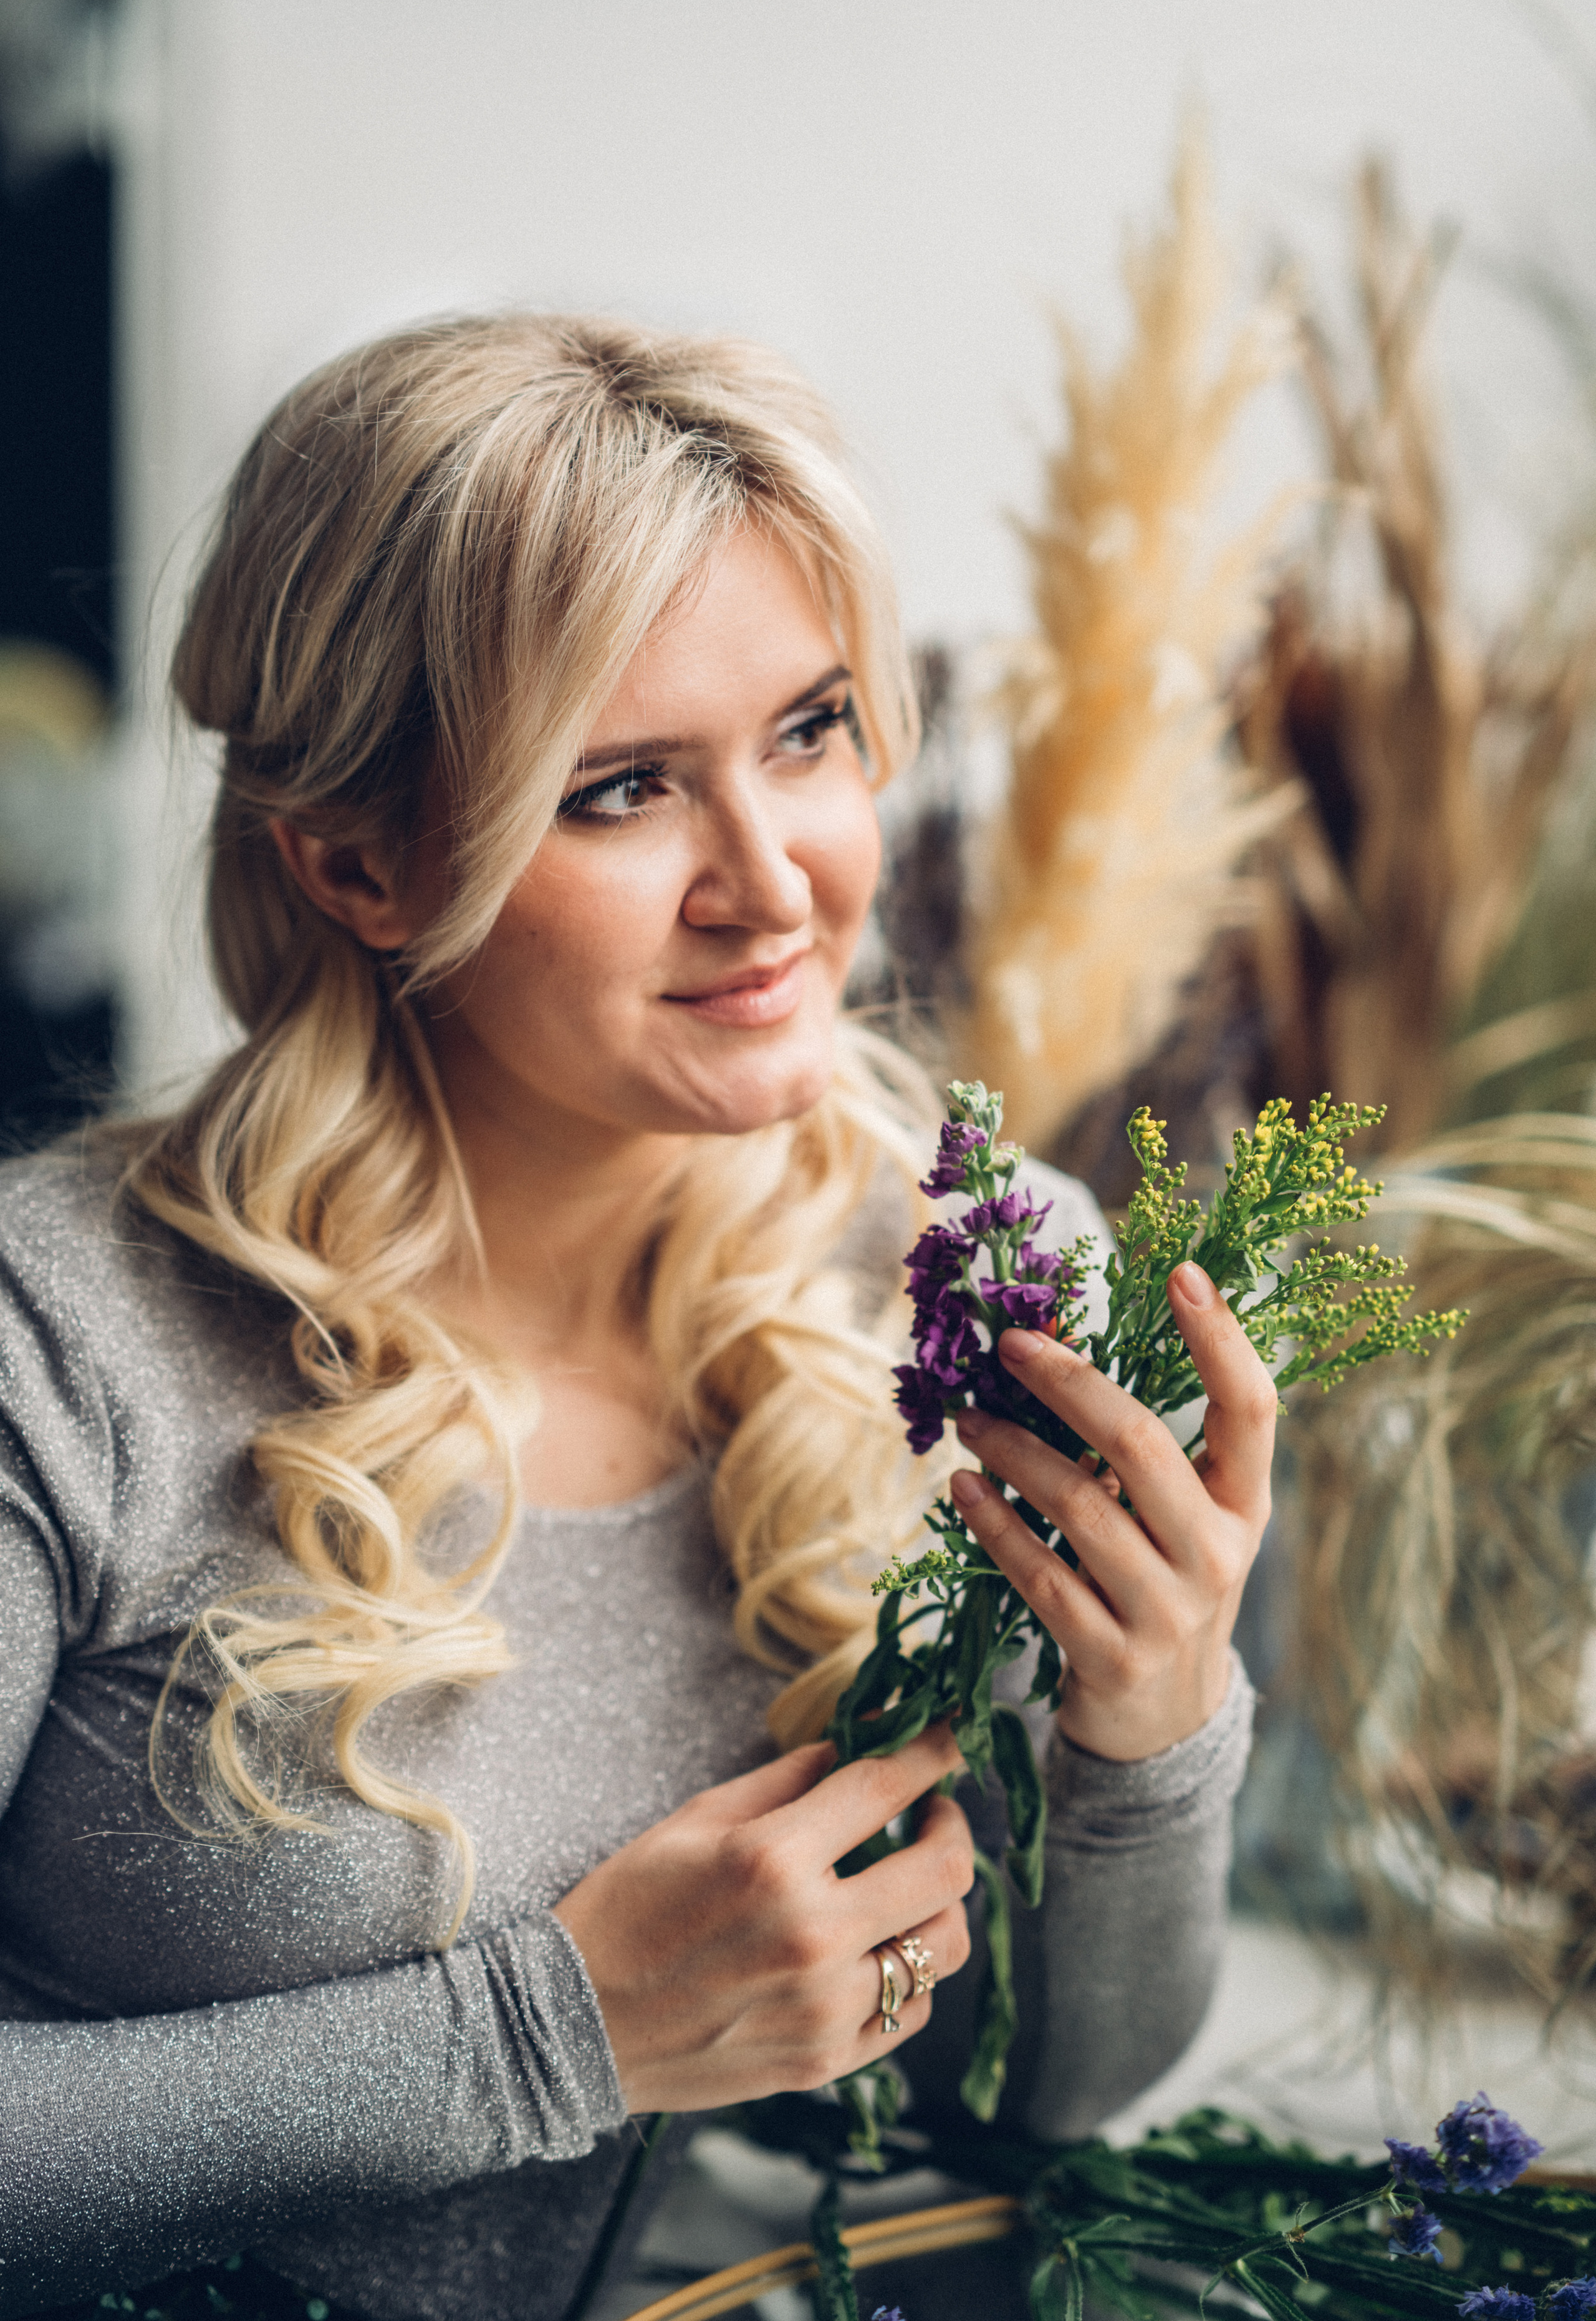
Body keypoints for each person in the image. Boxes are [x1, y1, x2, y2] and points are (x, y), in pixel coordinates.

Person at [0, 316, 1273, 2321]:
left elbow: (1041, 2101)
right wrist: (552, 2036)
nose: (774, 884)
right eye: (619, 793)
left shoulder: (984, 1270)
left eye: (813, 729)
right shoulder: (55, 1351)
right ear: (357, 861)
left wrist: (1156, 1725)